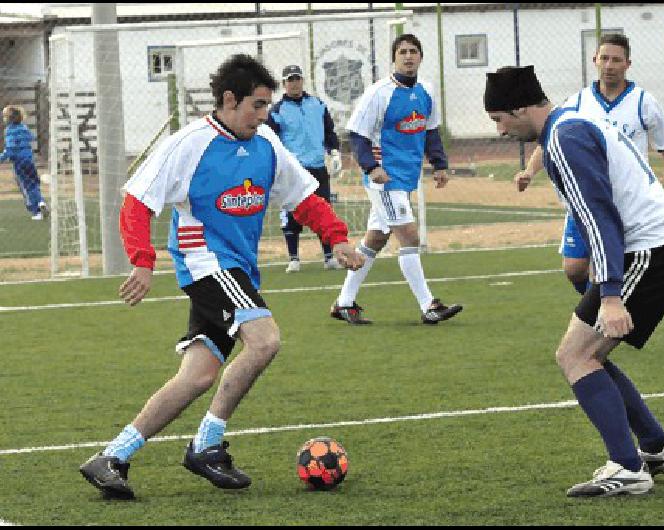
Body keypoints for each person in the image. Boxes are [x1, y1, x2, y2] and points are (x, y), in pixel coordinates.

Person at [78, 54, 364, 500]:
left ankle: (112, 457)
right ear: (230, 100)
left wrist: (337, 237)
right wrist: (141, 260)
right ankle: (206, 446)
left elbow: (304, 197)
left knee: (197, 376)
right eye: (257, 105)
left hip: (237, 267)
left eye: (267, 106)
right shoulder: (188, 144)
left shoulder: (266, 142)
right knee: (265, 341)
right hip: (206, 262)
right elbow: (137, 202)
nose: (264, 115)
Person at [485, 65, 664, 498]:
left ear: (520, 108)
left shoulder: (565, 137)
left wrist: (611, 295)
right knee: (583, 352)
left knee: (577, 356)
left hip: (649, 252)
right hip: (652, 249)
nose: (501, 131)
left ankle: (628, 467)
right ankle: (655, 446)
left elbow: (601, 214)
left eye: (500, 119)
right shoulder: (571, 125)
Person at [516, 34, 664, 295]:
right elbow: (549, 140)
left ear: (627, 64)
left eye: (616, 60)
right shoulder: (577, 102)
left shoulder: (644, 103)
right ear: (595, 60)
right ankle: (599, 309)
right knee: (574, 268)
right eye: (604, 58)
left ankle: (602, 314)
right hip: (587, 195)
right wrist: (530, 171)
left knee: (608, 267)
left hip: (626, 200)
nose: (609, 65)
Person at [330, 33, 462, 325]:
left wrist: (440, 164)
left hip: (406, 178)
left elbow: (430, 131)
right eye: (402, 51)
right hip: (385, 179)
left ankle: (344, 303)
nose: (408, 56)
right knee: (411, 238)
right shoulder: (379, 93)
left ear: (420, 57)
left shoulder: (426, 91)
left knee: (375, 240)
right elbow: (357, 134)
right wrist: (370, 167)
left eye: (413, 51)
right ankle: (429, 306)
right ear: (394, 57)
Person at [267, 64, 343, 273]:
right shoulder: (277, 111)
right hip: (294, 171)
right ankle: (294, 258)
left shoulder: (317, 104)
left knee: (324, 210)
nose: (294, 83)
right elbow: (272, 141)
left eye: (297, 78)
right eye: (290, 79)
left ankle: (329, 257)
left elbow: (329, 132)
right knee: (291, 213)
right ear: (284, 84)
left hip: (318, 168)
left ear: (302, 80)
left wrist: (334, 152)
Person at [0, 105, 47, 220]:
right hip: (29, 160)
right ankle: (41, 202)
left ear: (8, 118)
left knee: (26, 187)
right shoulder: (24, 128)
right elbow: (30, 138)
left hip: (19, 162)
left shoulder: (10, 131)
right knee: (34, 183)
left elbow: (10, 149)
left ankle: (36, 212)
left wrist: (1, 158)